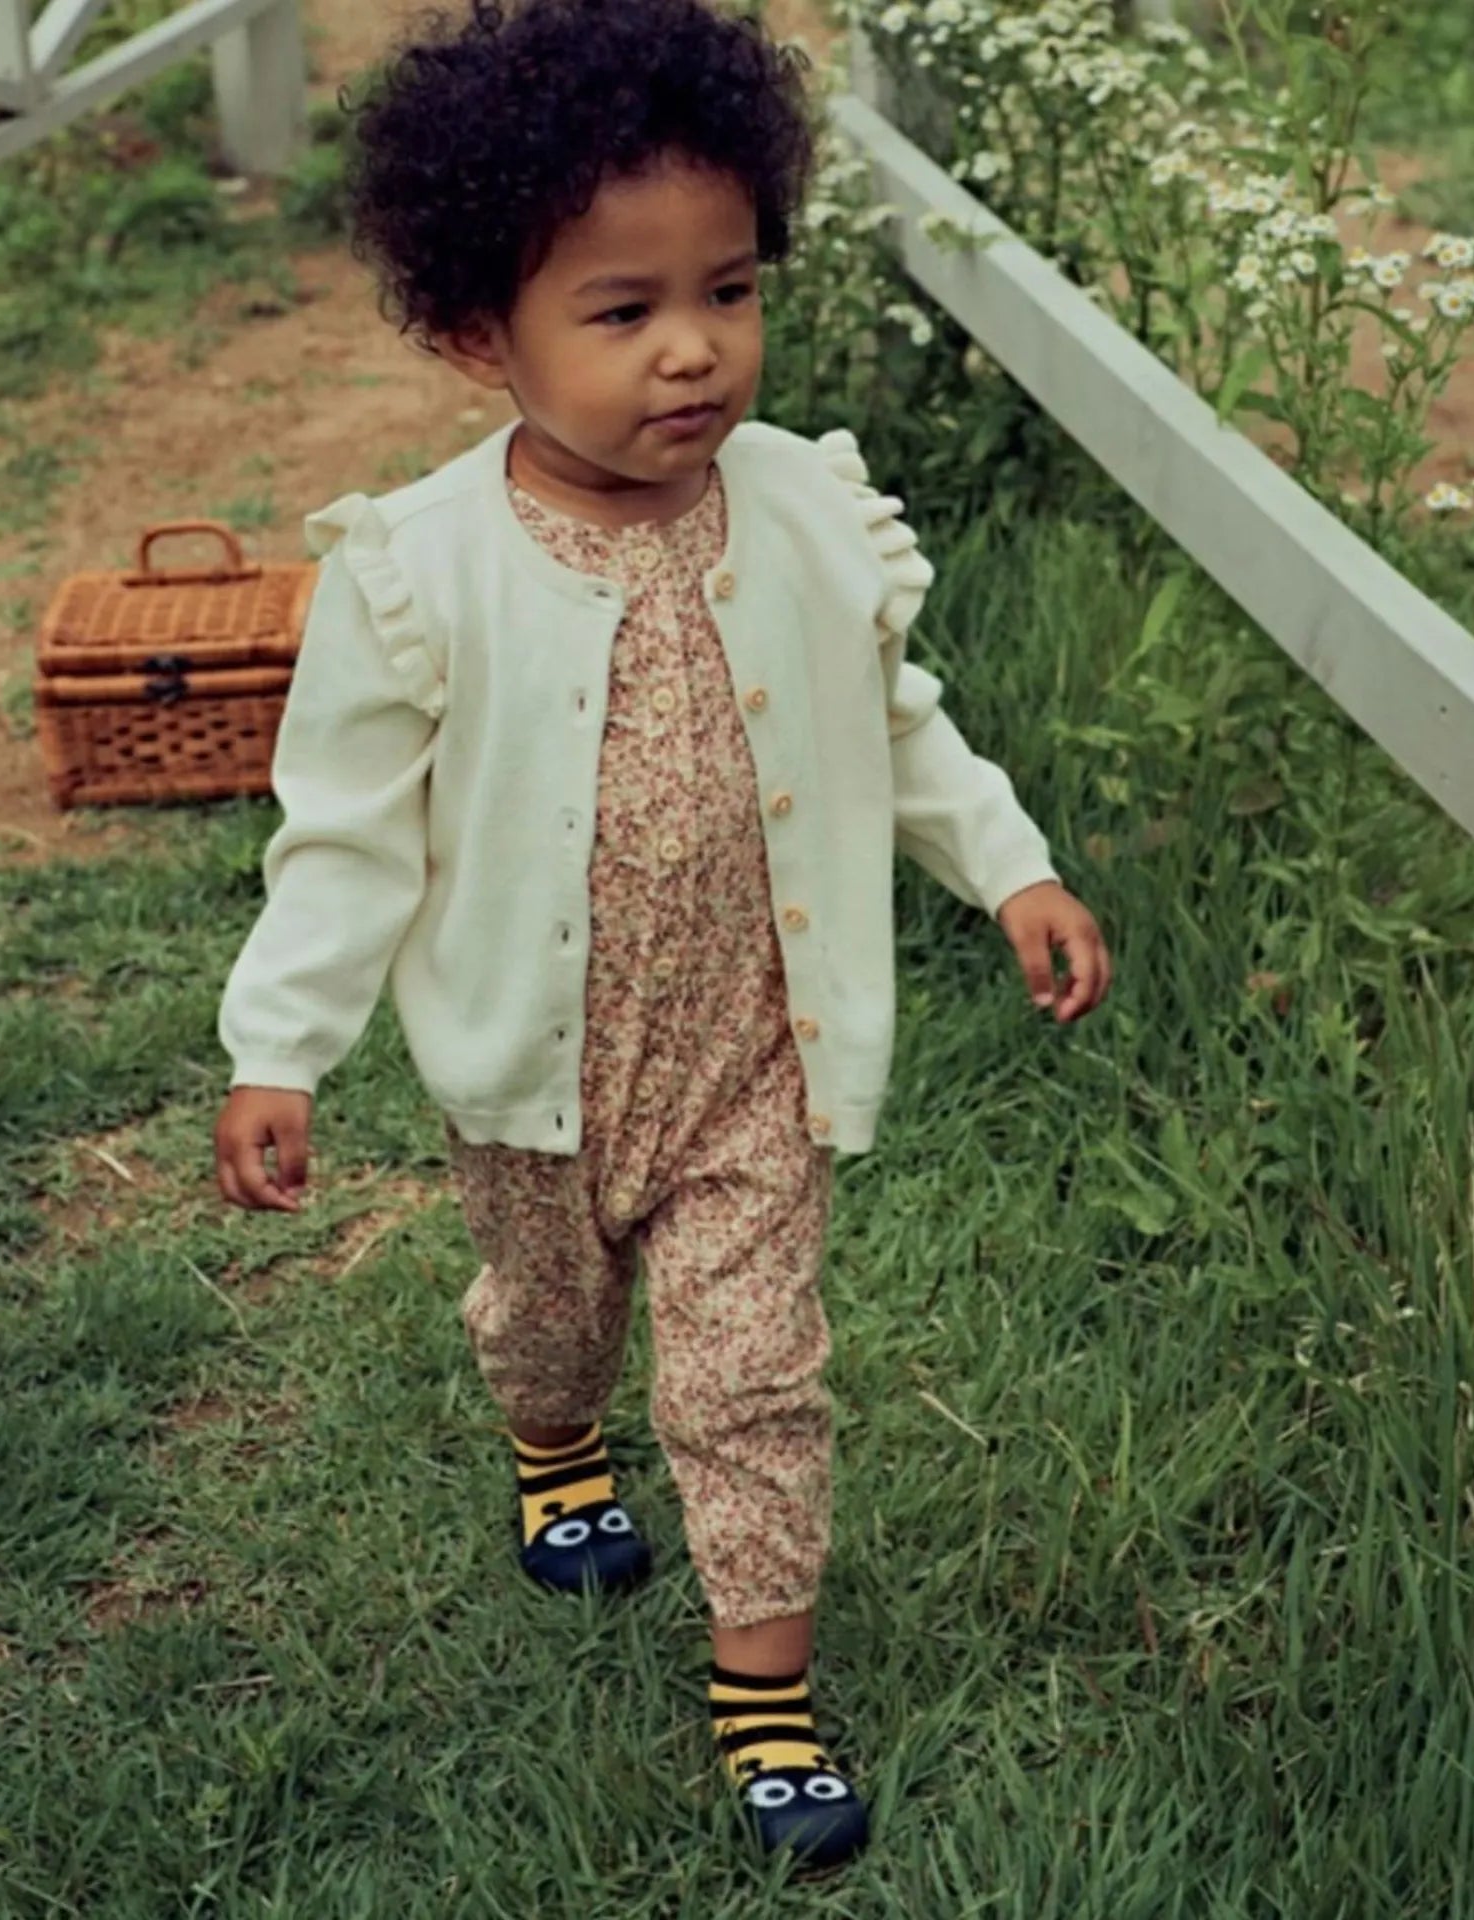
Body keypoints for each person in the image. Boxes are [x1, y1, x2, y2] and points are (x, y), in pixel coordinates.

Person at [214, 0, 1110, 1874]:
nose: (694, 350)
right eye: (621, 313)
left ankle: (765, 1696)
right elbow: (347, 840)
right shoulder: (416, 571)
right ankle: (556, 1453)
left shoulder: (800, 510)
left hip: (747, 1067)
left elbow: (897, 722)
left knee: (747, 1367)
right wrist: (278, 1045)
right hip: (530, 1076)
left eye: (730, 289)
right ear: (481, 333)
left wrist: (1008, 866)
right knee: (553, 1329)